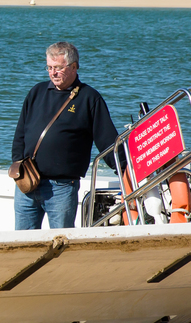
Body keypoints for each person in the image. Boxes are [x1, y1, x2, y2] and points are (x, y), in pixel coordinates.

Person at [10, 41, 118, 230]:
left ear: (74, 67)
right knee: (21, 243)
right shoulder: (37, 92)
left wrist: (124, 167)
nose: (53, 73)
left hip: (61, 187)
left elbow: (106, 140)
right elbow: (21, 132)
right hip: (27, 183)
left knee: (61, 243)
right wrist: (18, 163)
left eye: (59, 68)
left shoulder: (89, 98)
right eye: (50, 68)